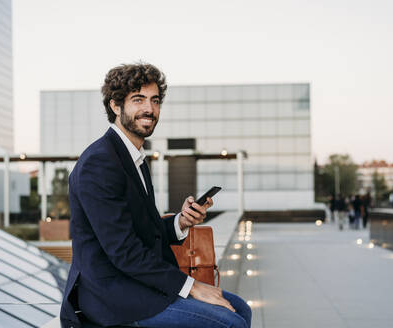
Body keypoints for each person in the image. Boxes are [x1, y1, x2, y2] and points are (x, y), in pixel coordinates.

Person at [60, 63, 251, 328]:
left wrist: (181, 221)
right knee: (230, 322)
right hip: (114, 298)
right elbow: (124, 251)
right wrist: (192, 287)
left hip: (140, 285)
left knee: (241, 308)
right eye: (138, 100)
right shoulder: (100, 162)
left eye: (155, 100)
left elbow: (142, 230)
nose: (149, 109)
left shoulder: (133, 157)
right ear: (115, 106)